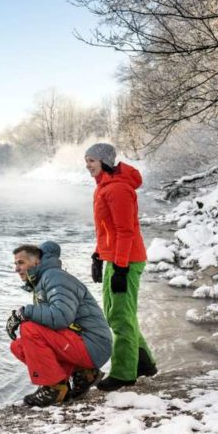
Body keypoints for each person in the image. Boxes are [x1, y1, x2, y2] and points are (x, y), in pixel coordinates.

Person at [84, 142, 158, 391]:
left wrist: (123, 268)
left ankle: (125, 373)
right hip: (114, 258)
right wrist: (98, 256)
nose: (88, 165)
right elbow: (106, 230)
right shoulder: (103, 187)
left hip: (125, 260)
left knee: (120, 316)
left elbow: (126, 231)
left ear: (104, 161)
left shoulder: (117, 189)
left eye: (91, 160)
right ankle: (143, 362)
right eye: (86, 160)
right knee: (116, 312)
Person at [6, 241, 113, 407]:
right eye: (15, 264)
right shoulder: (44, 279)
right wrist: (23, 315)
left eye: (21, 262)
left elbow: (62, 317)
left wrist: (24, 312)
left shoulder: (55, 277)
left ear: (36, 262)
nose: (17, 268)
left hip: (93, 344)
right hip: (81, 342)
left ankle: (54, 388)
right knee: (19, 346)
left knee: (29, 329)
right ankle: (82, 374)